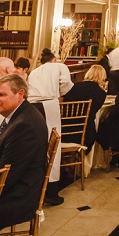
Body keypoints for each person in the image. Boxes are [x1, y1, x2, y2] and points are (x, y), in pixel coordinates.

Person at [0, 75, 50, 232]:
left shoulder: (24, 125)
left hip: (19, 197)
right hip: (15, 187)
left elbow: (7, 175)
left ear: (20, 94)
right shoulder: (18, 115)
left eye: (1, 95)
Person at [26, 49, 72, 205]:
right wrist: (60, 93)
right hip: (48, 105)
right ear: (54, 59)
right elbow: (66, 84)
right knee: (53, 145)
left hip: (31, 106)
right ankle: (51, 191)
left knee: (37, 146)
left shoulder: (34, 71)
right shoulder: (59, 66)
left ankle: (36, 189)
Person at [62, 66, 108, 148]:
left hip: (65, 130)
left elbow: (65, 102)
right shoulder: (101, 94)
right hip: (84, 133)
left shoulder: (76, 86)